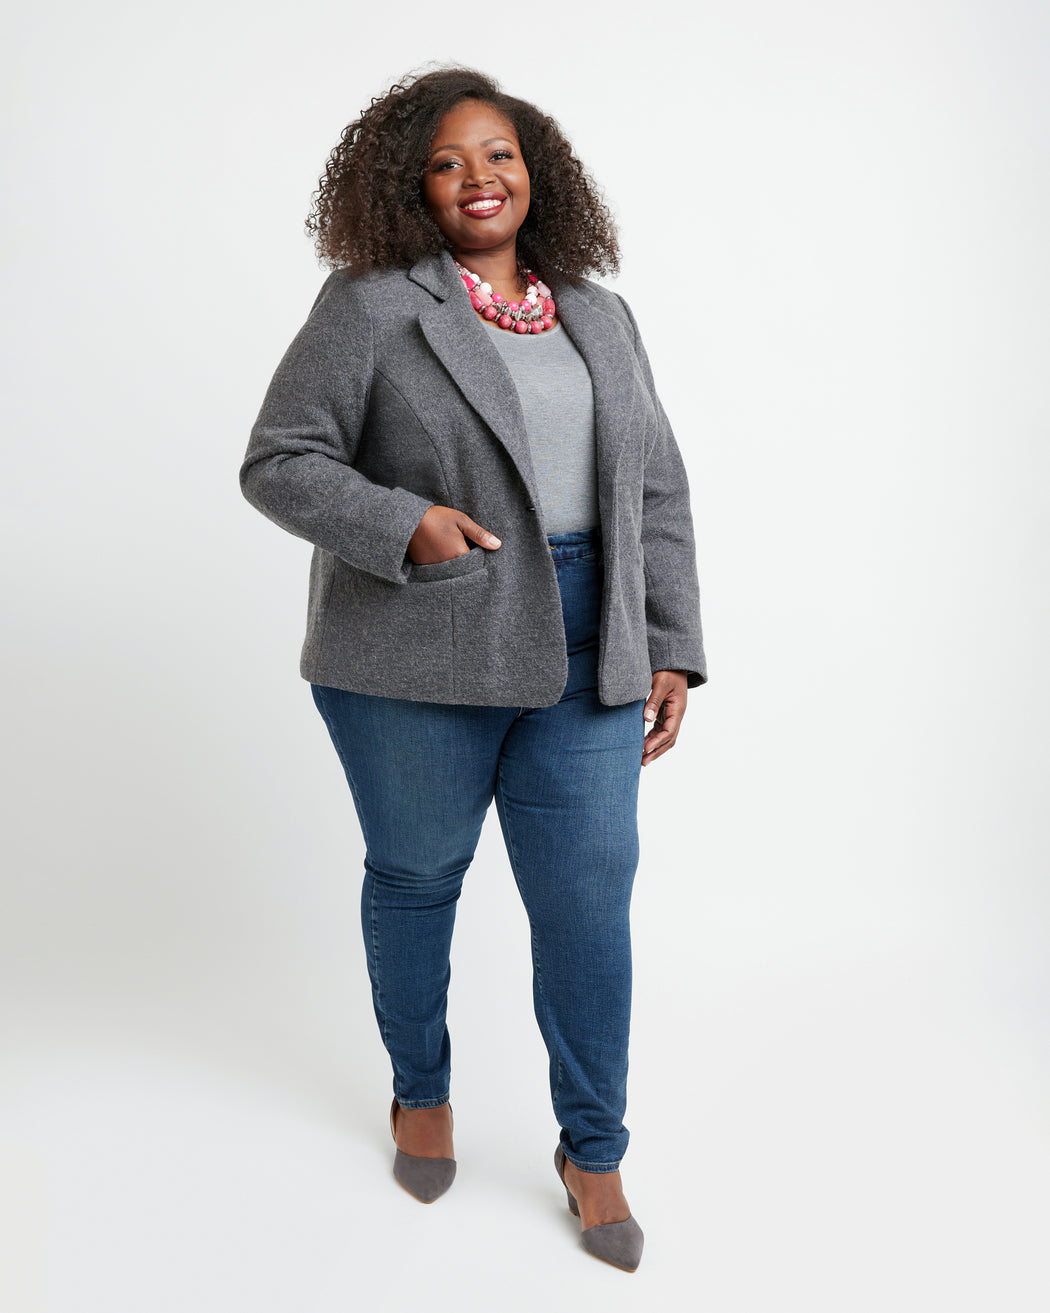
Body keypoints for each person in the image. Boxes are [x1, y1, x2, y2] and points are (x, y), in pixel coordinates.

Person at [238, 66, 707, 1273]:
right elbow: (280, 457)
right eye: (448, 162)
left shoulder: (601, 314)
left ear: (534, 166)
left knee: (588, 907)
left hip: (590, 645)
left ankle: (592, 1150)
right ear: (412, 188)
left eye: (498, 153)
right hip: (418, 641)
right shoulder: (371, 305)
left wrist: (671, 645)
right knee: (416, 874)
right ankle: (421, 1092)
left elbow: (654, 485)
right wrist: (406, 524)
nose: (479, 178)